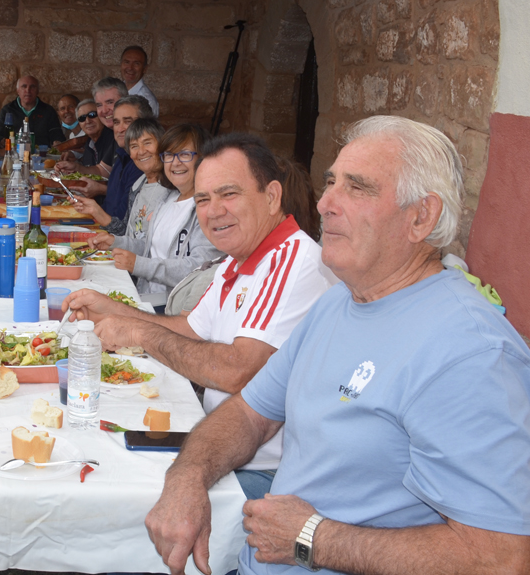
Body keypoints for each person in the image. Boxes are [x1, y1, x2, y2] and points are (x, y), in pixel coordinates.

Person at [145, 117, 530, 575]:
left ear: (421, 217)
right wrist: (187, 476)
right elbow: (250, 413)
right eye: (331, 182)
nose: (325, 203)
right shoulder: (339, 301)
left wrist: (313, 539)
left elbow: (501, 562)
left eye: (357, 188)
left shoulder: (473, 356)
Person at [65, 131, 336, 501]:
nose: (214, 211)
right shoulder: (237, 259)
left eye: (229, 194)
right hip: (222, 447)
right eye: (204, 199)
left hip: (267, 474)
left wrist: (139, 333)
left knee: (103, 495)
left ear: (272, 197)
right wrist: (113, 310)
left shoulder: (293, 260)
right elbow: (190, 329)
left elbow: (238, 371)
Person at [83, 124, 222, 302]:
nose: (175, 162)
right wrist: (116, 242)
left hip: (176, 306)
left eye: (185, 154)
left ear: (203, 158)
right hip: (148, 296)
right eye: (169, 155)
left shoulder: (210, 210)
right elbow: (150, 248)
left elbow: (199, 269)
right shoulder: (168, 199)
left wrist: (139, 265)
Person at [73, 116, 170, 241]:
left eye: (147, 143)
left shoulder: (170, 189)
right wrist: (95, 210)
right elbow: (125, 232)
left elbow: (152, 247)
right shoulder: (138, 185)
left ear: (162, 146)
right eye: (134, 146)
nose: (141, 152)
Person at [89, 94, 153, 216]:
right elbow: (108, 207)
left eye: (128, 121)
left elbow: (122, 218)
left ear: (145, 124)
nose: (120, 129)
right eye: (116, 122)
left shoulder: (142, 164)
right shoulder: (121, 157)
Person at [0, 74, 64, 145]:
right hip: (14, 152)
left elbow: (57, 134)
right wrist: (2, 141)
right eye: (24, 86)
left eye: (32, 87)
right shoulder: (7, 110)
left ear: (37, 91)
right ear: (18, 90)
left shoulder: (48, 111)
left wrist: (57, 142)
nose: (28, 90)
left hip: (41, 153)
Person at [121, 44, 159, 116]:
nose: (130, 68)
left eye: (136, 64)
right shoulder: (116, 90)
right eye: (127, 62)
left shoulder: (148, 100)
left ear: (144, 69)